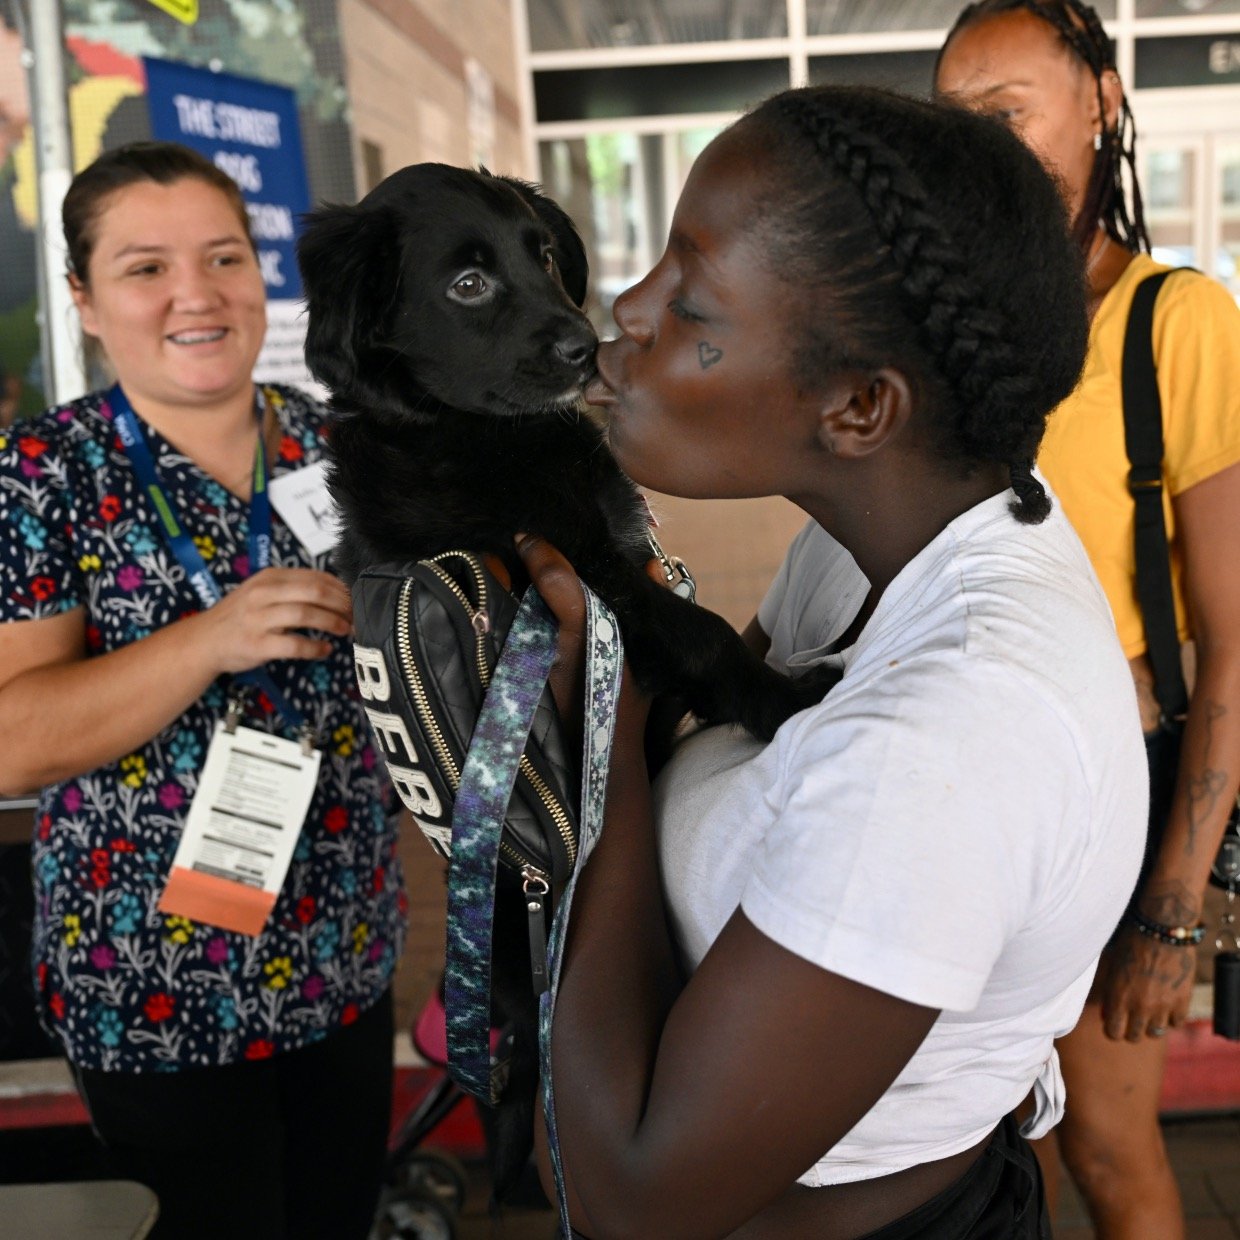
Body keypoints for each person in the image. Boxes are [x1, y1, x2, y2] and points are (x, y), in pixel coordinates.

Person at [509, 82, 1147, 1239]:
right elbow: (728, 732)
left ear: (858, 407)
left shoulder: (947, 740)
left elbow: (625, 1198)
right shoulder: (890, 539)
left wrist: (590, 737)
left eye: (690, 298)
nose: (629, 309)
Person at [0, 142, 406, 1240]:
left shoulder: (343, 444)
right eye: (144, 268)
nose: (196, 294)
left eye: (223, 257)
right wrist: (207, 640)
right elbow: (11, 740)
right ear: (84, 300)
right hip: (152, 978)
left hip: (343, 949)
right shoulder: (45, 474)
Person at [935, 5, 1240, 1236]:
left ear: (1101, 102)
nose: (989, 147)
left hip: (1117, 815)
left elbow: (1233, 637)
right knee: (1001, 1145)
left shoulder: (1179, 323)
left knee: (1104, 1145)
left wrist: (1175, 905)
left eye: (1012, 110)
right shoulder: (950, 331)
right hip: (967, 800)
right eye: (962, 123)